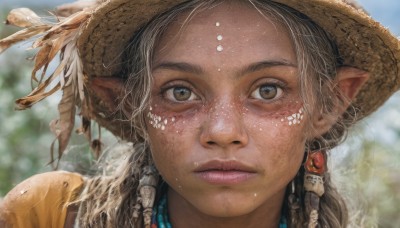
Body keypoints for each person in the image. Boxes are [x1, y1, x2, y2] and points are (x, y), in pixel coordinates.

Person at [0, 0, 399, 227]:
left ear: (329, 103)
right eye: (180, 92)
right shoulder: (49, 216)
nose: (223, 132)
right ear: (129, 104)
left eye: (268, 90)